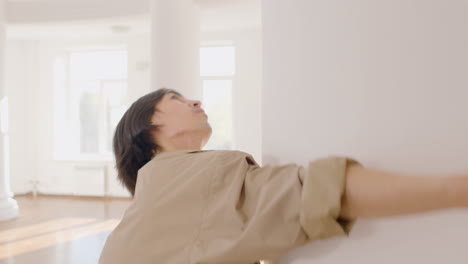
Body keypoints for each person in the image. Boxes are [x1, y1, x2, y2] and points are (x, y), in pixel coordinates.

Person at [99, 88, 468, 264]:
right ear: (148, 126)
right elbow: (317, 194)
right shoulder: (197, 174)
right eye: (177, 99)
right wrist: (456, 190)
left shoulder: (148, 204)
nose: (196, 102)